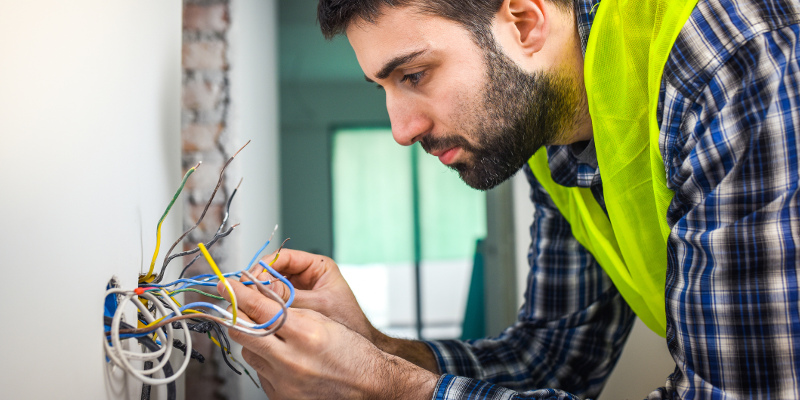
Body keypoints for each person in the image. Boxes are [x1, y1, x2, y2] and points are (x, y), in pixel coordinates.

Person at [217, 0, 800, 398]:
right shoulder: (550, 136)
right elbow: (552, 357)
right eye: (384, 88)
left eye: (414, 75)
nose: (400, 128)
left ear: (523, 20)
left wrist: (383, 385)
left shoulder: (730, 56)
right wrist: (373, 348)